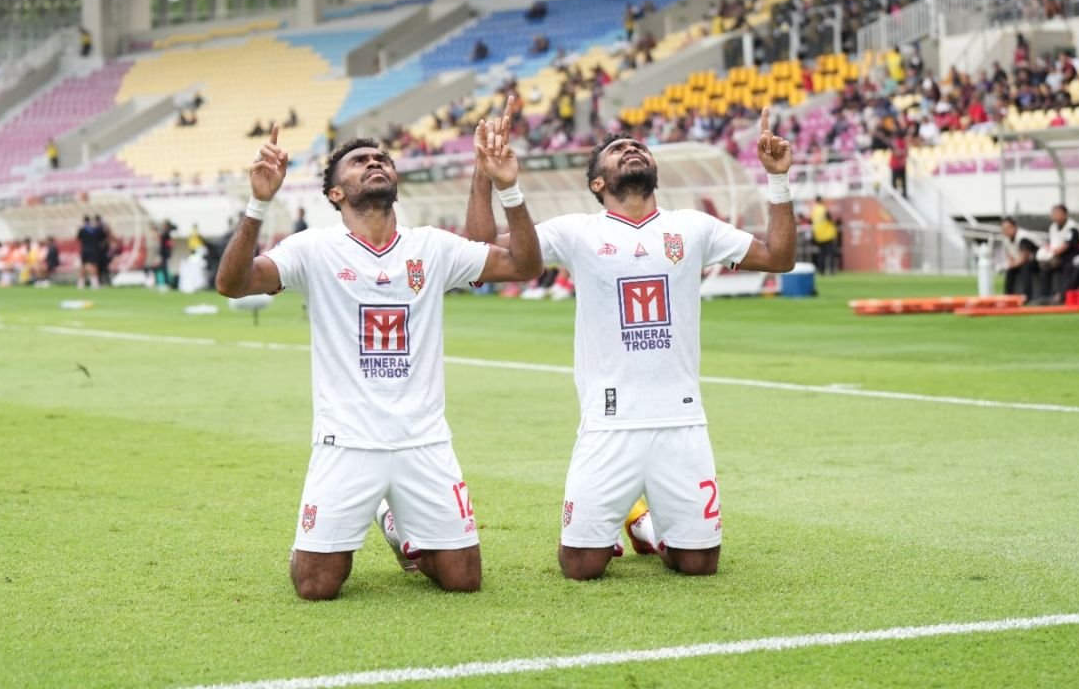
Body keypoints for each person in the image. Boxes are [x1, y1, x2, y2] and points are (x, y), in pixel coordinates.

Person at [215, 105, 542, 600]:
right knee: (316, 586)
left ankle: (397, 525)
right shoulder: (313, 249)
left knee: (463, 580)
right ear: (335, 193)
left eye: (382, 159)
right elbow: (233, 283)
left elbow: (523, 266)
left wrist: (506, 189)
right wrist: (258, 204)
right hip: (346, 441)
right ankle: (355, 526)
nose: (375, 162)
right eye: (360, 161)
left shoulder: (431, 246)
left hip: (423, 440)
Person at [465, 107, 796, 581]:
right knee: (582, 567)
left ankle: (646, 527)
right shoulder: (577, 231)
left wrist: (778, 180)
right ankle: (635, 518)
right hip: (609, 422)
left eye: (638, 147)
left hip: (681, 418)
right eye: (618, 150)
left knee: (699, 565)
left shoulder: (694, 227)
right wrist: (488, 176)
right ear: (598, 183)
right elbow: (481, 253)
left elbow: (779, 257)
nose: (632, 150)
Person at [1036, 203, 1079, 303]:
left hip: (1070, 255)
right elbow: (1050, 243)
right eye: (1053, 213)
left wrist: (1054, 253)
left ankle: (1062, 295)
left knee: (1068, 267)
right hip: (1056, 256)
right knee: (1044, 268)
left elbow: (1067, 245)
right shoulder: (1052, 227)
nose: (1055, 216)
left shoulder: (1072, 227)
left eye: (1057, 213)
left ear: (1065, 214)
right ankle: (1045, 296)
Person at [1001, 217, 1040, 300]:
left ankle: (1026, 296)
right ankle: (1008, 296)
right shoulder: (1006, 239)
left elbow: (1024, 258)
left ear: (1014, 227)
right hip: (1020, 262)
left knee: (1025, 268)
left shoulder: (1023, 237)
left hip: (1038, 261)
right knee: (1010, 270)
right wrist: (1010, 264)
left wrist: (1012, 265)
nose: (1006, 230)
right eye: (1004, 229)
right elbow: (1009, 255)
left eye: (1008, 228)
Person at [811, 196, 838, 275]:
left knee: (821, 255)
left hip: (818, 235)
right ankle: (831, 271)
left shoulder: (814, 210)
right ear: (821, 200)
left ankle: (821, 271)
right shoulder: (823, 209)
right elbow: (829, 219)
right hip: (827, 234)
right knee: (831, 254)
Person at [76, 216, 99, 289]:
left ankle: (81, 284)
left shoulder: (82, 229)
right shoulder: (95, 229)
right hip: (93, 250)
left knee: (83, 266)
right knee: (94, 266)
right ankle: (94, 284)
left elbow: (78, 238)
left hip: (84, 250)